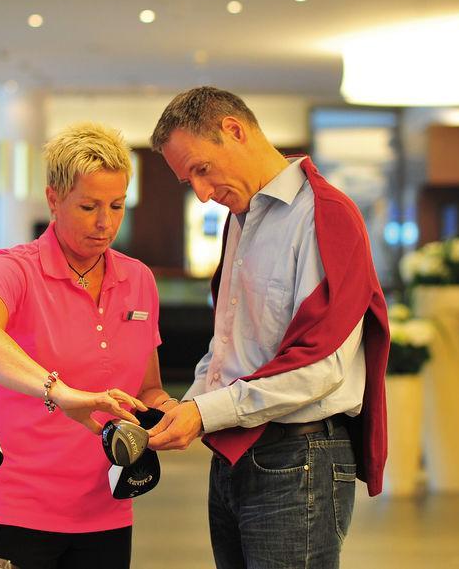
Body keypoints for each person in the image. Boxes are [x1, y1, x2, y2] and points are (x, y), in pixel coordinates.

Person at [145, 87, 389, 569]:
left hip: (298, 458)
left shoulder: (323, 214)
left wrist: (205, 413)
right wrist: (187, 407)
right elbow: (230, 346)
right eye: (187, 179)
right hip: (236, 455)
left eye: (200, 168)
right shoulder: (242, 219)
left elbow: (320, 367)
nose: (201, 193)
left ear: (233, 130)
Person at [0, 122, 177, 569]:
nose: (105, 223)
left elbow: (148, 388)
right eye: (89, 206)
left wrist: (171, 414)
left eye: (117, 206)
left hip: (107, 510)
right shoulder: (13, 270)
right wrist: (59, 391)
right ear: (54, 198)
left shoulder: (138, 279)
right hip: (15, 509)